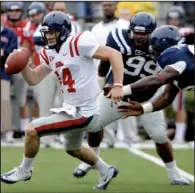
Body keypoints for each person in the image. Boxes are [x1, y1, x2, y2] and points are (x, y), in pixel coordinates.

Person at [1, 11, 124, 190]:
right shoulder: (49, 52)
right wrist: (23, 65)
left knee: (32, 130)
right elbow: (34, 79)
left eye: (52, 32)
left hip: (85, 110)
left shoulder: (78, 42)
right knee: (72, 148)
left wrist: (118, 84)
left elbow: (114, 54)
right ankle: (106, 170)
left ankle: (24, 169)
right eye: (47, 32)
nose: (48, 36)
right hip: (71, 108)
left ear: (64, 31)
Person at [73, 13, 189, 185]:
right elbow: (105, 61)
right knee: (94, 123)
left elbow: (167, 81)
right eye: (137, 33)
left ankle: (173, 173)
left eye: (144, 34)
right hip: (117, 93)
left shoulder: (164, 45)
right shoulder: (118, 38)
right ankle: (91, 158)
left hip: (148, 97)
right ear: (130, 31)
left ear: (152, 32)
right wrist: (99, 84)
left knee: (159, 136)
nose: (140, 37)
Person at [117, 25, 194, 117]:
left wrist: (121, 90)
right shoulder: (179, 68)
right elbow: (166, 97)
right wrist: (143, 109)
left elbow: (156, 80)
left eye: (156, 48)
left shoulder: (176, 55)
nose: (153, 51)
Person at [91, 1, 138, 149]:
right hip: (100, 71)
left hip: (123, 72)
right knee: (102, 106)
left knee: (125, 102)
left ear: (115, 7)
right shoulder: (95, 28)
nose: (107, 8)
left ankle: (130, 138)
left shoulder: (124, 25)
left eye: (110, 5)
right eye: (105, 5)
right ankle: (108, 139)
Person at [4, 2, 32, 136]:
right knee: (4, 100)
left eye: (17, 10)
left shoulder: (26, 26)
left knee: (22, 100)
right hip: (4, 67)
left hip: (20, 67)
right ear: (7, 12)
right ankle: (6, 130)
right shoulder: (4, 26)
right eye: (12, 10)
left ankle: (24, 130)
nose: (14, 12)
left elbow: (28, 46)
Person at [166, 6, 187, 143]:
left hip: (180, 73)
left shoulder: (186, 34)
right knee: (160, 104)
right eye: (171, 19)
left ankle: (179, 136)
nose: (173, 22)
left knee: (179, 105)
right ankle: (161, 134)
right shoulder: (164, 32)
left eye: (176, 19)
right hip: (164, 71)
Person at [0, 6, 18, 143]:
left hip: (3, 73)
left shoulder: (10, 33)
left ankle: (6, 132)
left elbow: (11, 53)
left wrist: (4, 53)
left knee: (5, 101)